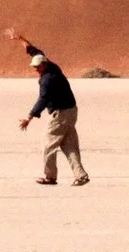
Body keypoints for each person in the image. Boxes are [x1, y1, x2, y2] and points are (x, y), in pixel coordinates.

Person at [10, 31, 88, 185]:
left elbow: (43, 100)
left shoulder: (48, 80)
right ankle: (81, 176)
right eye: (34, 66)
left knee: (48, 144)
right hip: (71, 112)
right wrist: (20, 39)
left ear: (44, 64)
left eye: (37, 67)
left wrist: (29, 118)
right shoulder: (51, 65)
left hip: (61, 114)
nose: (35, 69)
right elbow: (34, 51)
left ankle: (50, 177)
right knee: (69, 145)